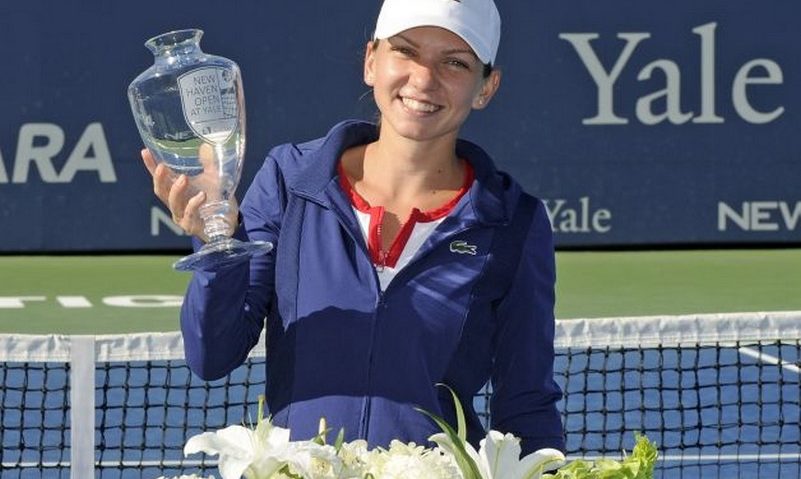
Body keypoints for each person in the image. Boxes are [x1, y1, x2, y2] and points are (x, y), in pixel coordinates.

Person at [142, 0, 565, 455]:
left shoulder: (513, 222)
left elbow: (526, 403)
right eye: (405, 52)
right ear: (371, 62)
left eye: (455, 62)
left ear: (486, 88)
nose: (423, 79)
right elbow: (212, 356)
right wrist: (216, 242)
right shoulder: (290, 181)